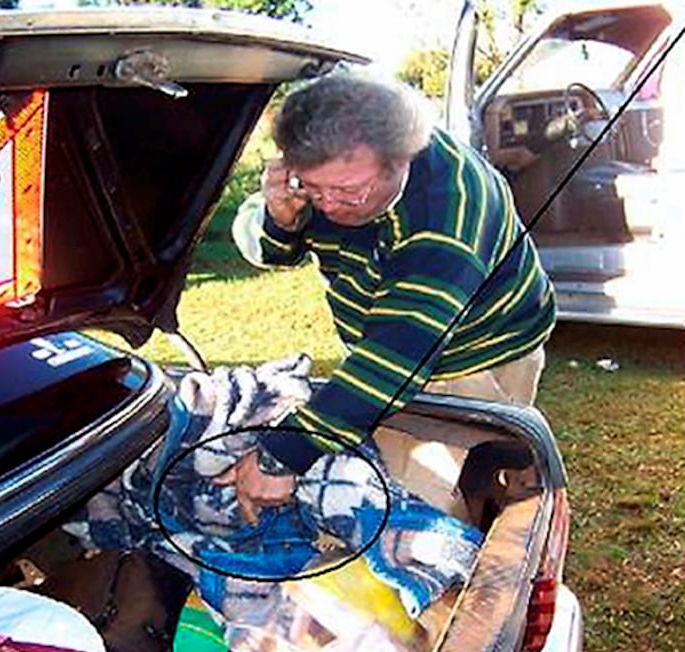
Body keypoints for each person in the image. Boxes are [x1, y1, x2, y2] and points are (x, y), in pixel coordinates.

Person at [218, 72, 556, 523]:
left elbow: (397, 353)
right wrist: (284, 220)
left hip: (474, 355)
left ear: (403, 158)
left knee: (414, 507)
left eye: (347, 192)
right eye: (313, 189)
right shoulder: (327, 178)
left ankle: (458, 572)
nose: (330, 206)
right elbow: (278, 252)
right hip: (393, 349)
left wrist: (282, 455)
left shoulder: (447, 209)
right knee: (417, 477)